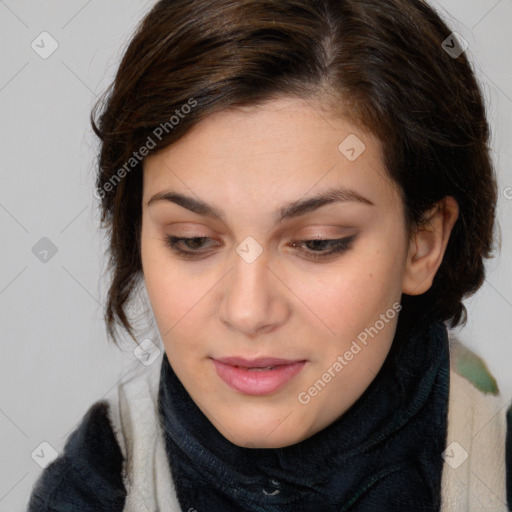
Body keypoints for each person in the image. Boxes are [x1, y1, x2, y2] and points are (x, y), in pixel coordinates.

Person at [27, 0, 511, 510]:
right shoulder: (94, 487)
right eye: (191, 240)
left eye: (319, 242)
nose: (248, 311)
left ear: (424, 243)